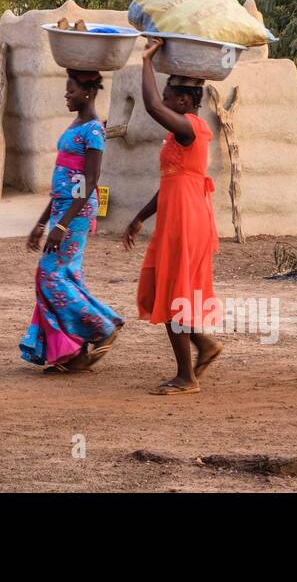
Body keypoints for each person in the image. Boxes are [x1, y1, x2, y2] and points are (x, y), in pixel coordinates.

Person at [123, 39, 223, 395]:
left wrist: (146, 59)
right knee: (173, 289)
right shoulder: (178, 134)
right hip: (177, 217)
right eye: (165, 98)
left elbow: (150, 104)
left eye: (169, 98)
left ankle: (186, 377)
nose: (164, 102)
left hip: (186, 221)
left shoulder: (190, 128)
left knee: (173, 292)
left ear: (183, 101)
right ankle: (205, 347)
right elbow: (170, 183)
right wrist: (140, 217)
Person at [20, 69, 124, 372]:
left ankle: (102, 327)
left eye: (71, 91)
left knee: (49, 275)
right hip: (63, 208)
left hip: (76, 213)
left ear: (88, 93)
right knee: (67, 277)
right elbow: (64, 179)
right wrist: (42, 223)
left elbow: (89, 180)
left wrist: (62, 225)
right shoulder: (76, 124)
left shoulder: (93, 130)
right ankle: (74, 354)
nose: (66, 95)